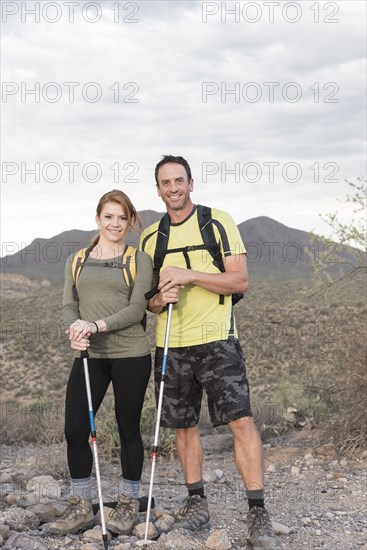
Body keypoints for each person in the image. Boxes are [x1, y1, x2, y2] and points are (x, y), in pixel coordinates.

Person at [140, 156, 281, 549]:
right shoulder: (151, 238)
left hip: (218, 339)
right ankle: (196, 504)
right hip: (171, 343)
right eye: (165, 182)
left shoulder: (217, 222)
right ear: (158, 189)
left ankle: (257, 511)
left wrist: (190, 276)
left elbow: (241, 280)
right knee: (183, 426)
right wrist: (157, 300)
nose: (173, 188)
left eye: (179, 180)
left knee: (240, 421)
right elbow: (147, 301)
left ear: (191, 183)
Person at [49, 190, 153, 536]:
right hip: (88, 355)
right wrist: (75, 329)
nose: (115, 224)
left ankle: (127, 506)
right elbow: (69, 305)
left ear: (130, 222)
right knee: (75, 429)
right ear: (97, 218)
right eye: (108, 217)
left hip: (131, 355)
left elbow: (137, 310)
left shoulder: (139, 259)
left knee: (127, 429)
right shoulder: (77, 259)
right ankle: (80, 508)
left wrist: (95, 326)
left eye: (122, 218)